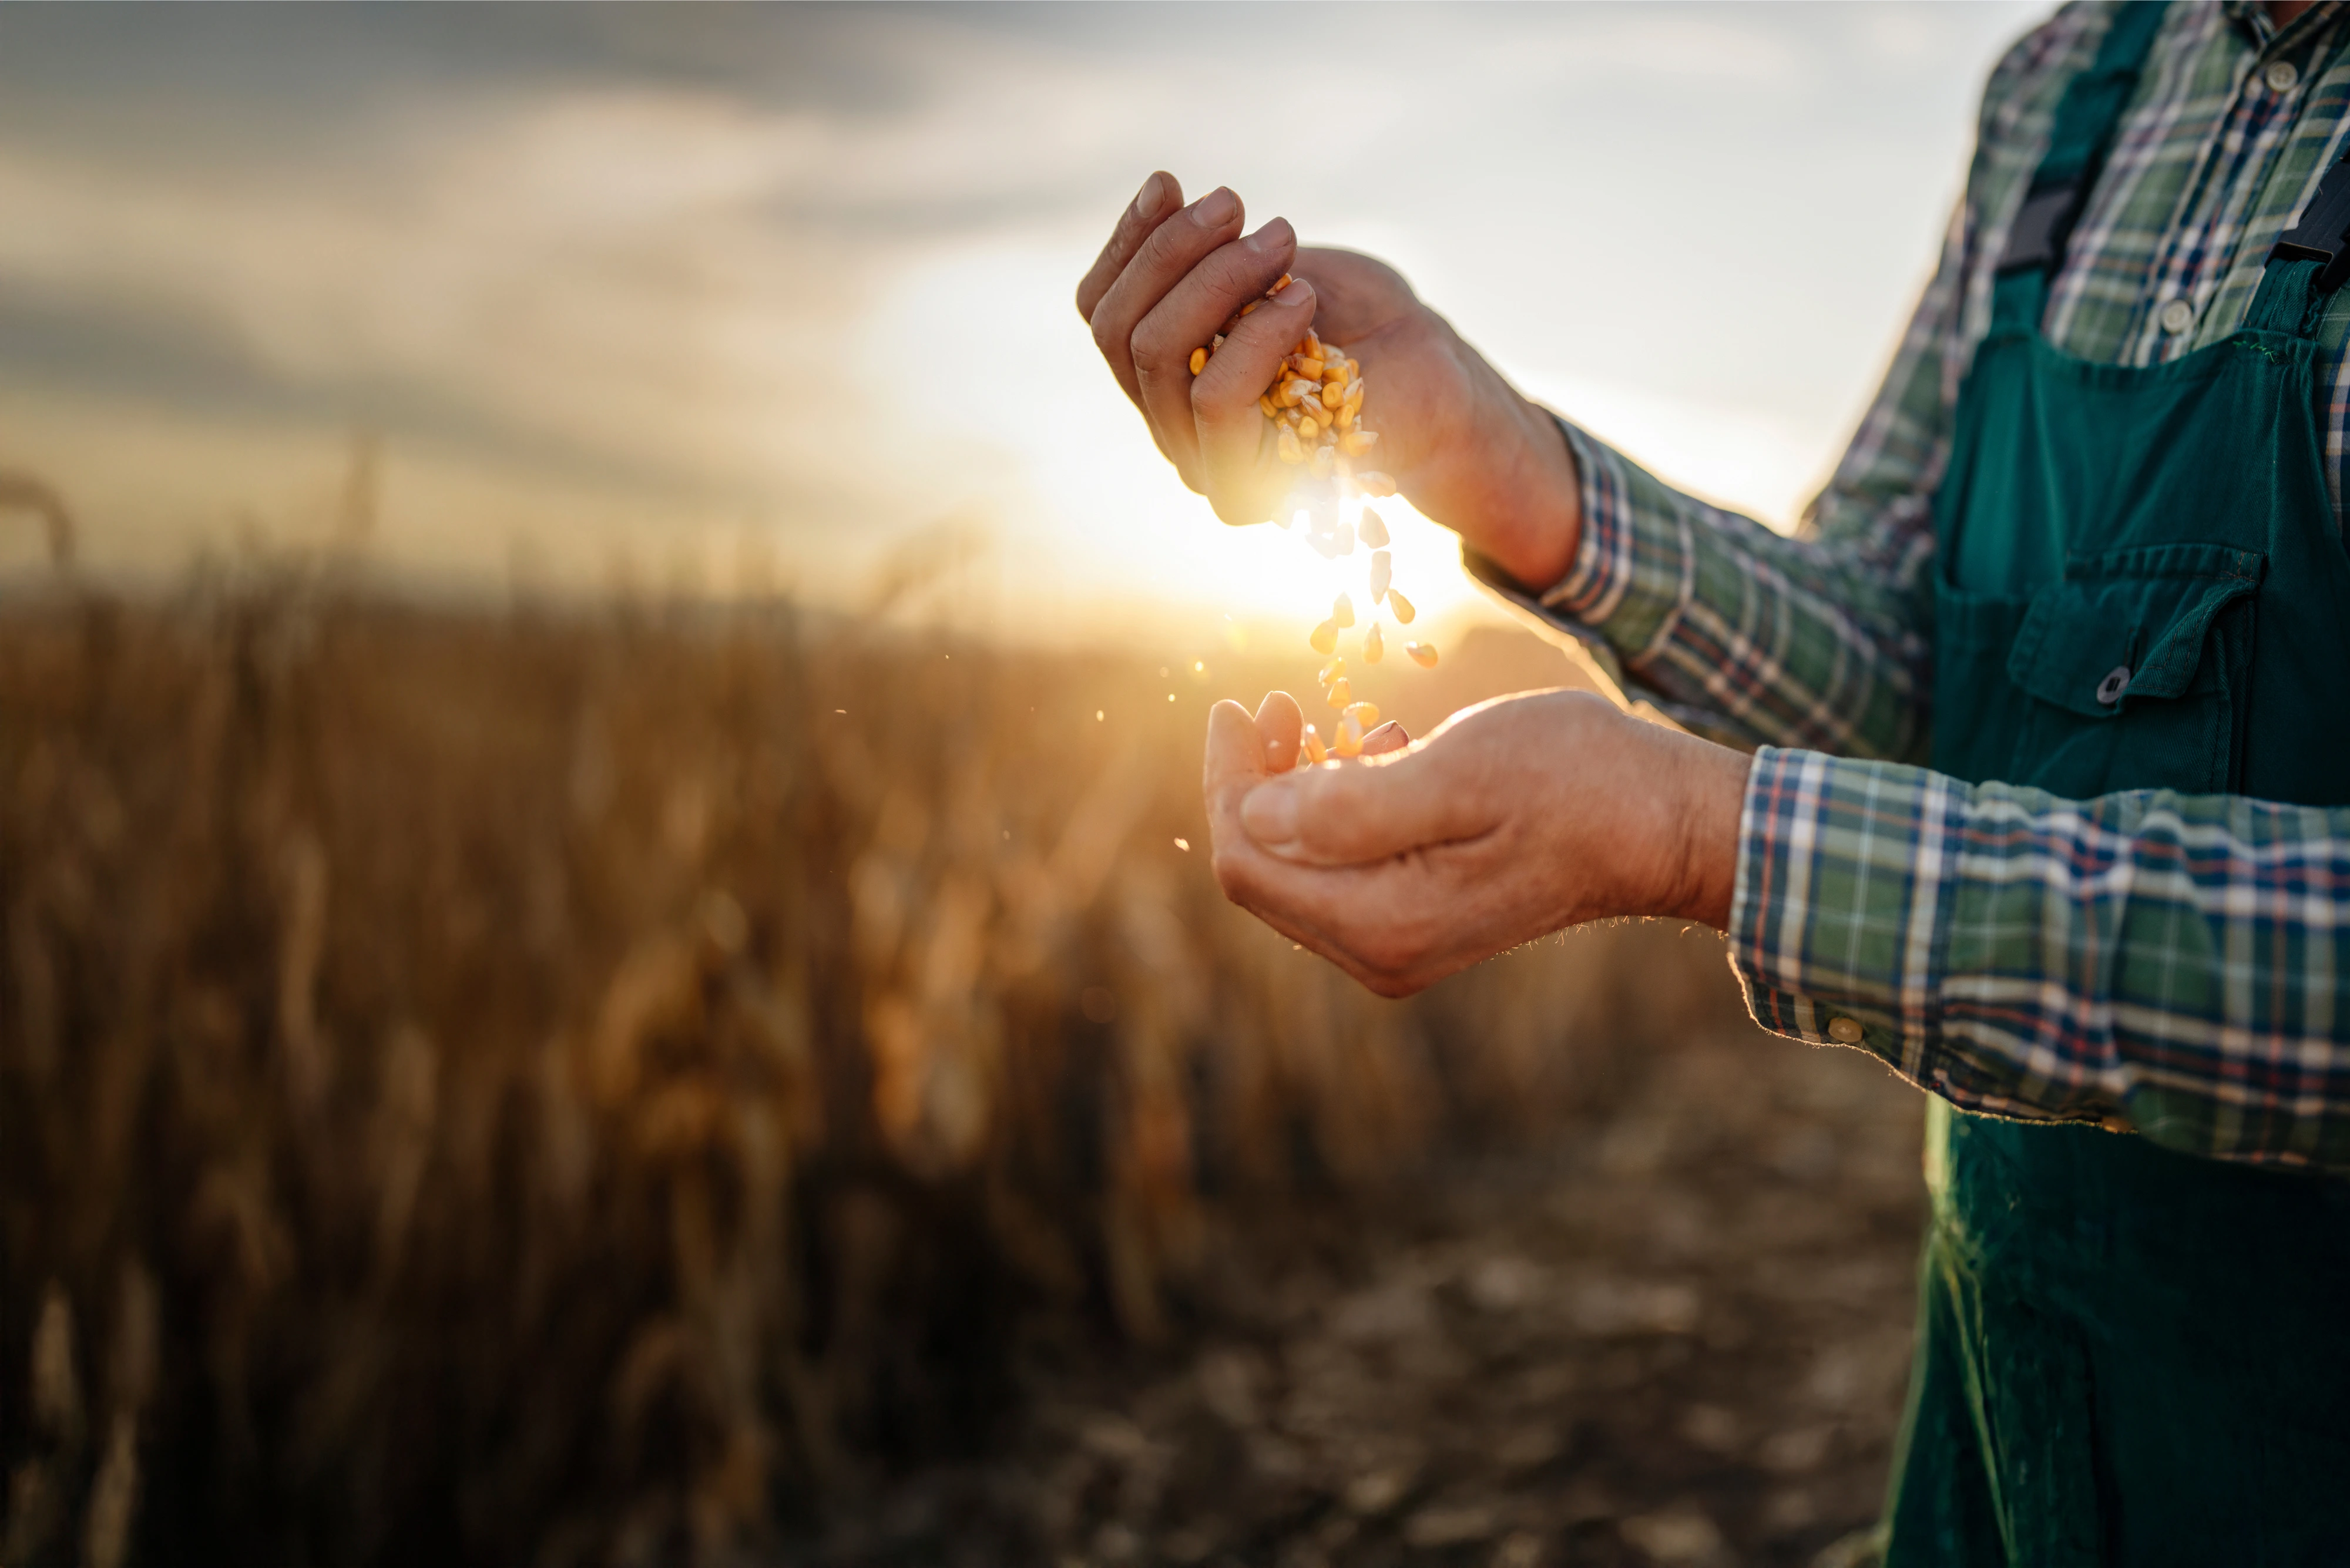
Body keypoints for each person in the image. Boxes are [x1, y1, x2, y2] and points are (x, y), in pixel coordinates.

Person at [1077, 1, 2350, 1562]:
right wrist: (1497, 457)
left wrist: (1700, 836)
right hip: (2007, 1429)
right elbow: (1912, 656)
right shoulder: (2064, 90)